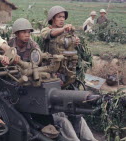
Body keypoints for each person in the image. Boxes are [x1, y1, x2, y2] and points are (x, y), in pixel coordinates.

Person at [41, 6, 98, 141]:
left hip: (66, 77)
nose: (62, 19)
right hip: (51, 78)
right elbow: (49, 34)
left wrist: (75, 41)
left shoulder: (66, 34)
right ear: (52, 19)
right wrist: (64, 28)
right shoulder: (46, 30)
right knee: (59, 115)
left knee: (76, 113)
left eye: (63, 17)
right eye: (59, 17)